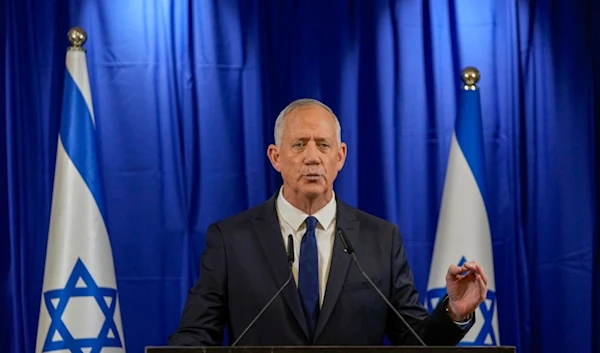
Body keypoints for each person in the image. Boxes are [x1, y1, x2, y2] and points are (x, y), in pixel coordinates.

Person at [168, 98, 487, 346]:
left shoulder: (380, 240)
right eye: (298, 144)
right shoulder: (230, 240)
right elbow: (196, 336)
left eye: (323, 145)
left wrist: (454, 312)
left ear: (340, 156)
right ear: (275, 157)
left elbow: (416, 341)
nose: (312, 157)